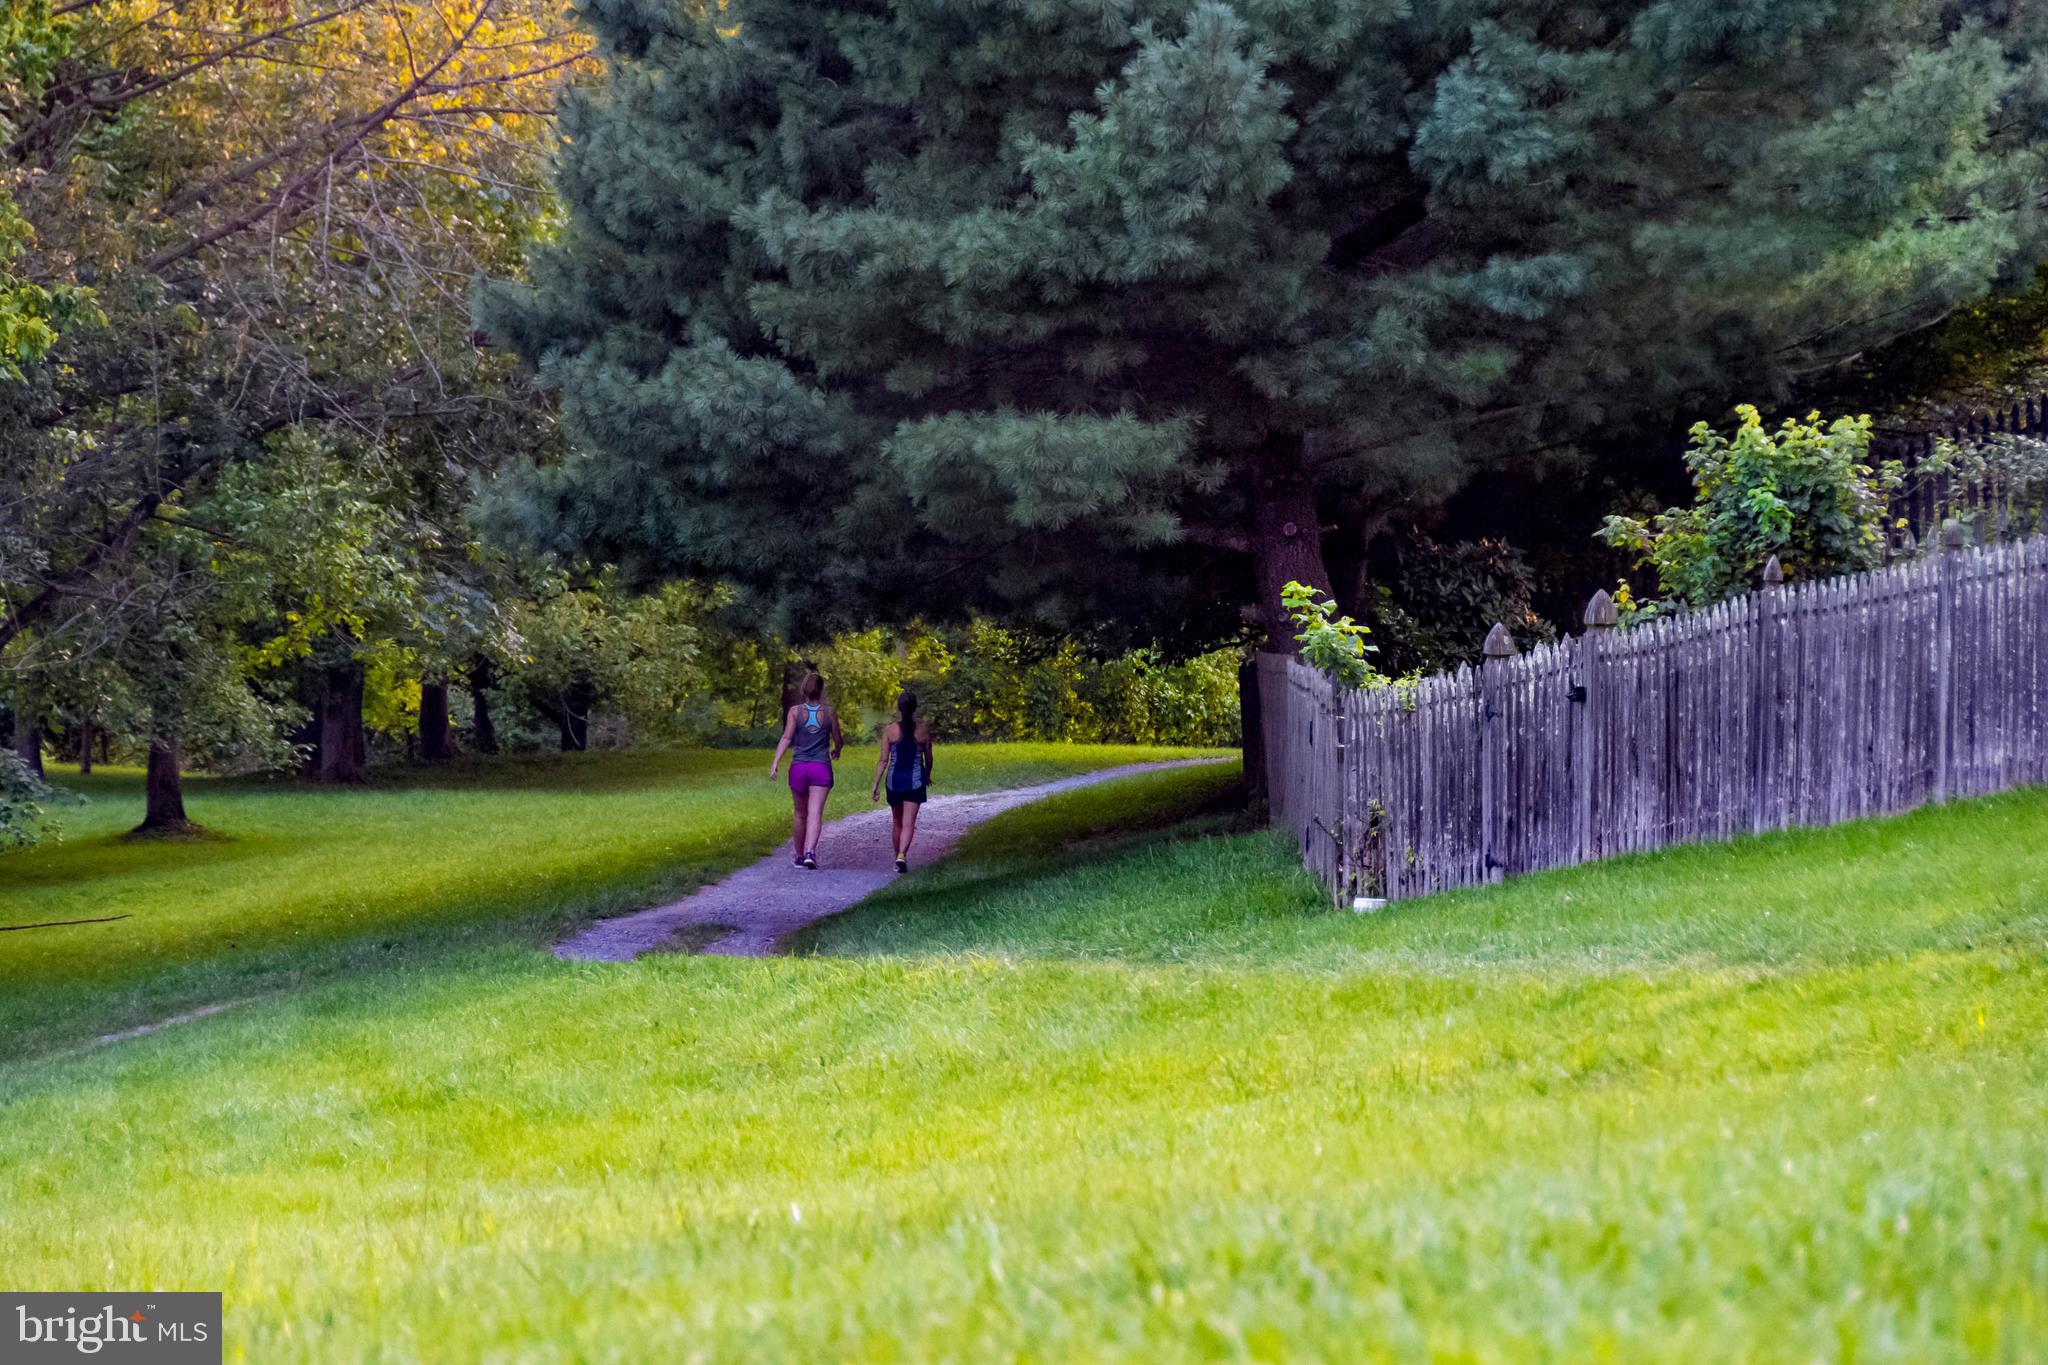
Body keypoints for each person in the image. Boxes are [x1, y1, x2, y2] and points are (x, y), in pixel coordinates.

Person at [769, 673, 843, 869]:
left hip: (799, 767)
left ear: (803, 690)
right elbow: (837, 737)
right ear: (821, 690)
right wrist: (837, 749)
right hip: (821, 768)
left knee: (800, 813)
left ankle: (799, 855)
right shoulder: (829, 713)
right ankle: (811, 852)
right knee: (815, 812)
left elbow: (786, 737)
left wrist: (775, 762)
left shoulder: (795, 711)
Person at [871, 688, 934, 873]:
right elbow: (929, 759)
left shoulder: (890, 730)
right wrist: (928, 774)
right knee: (908, 823)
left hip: (894, 781)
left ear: (899, 708)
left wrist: (875, 783)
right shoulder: (923, 731)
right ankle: (901, 856)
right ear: (915, 708)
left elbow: (883, 760)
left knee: (897, 822)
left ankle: (897, 859)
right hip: (915, 782)